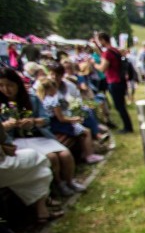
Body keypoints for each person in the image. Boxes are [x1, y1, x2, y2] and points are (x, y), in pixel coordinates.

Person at [0, 68, 85, 197]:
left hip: (39, 136)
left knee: (65, 154)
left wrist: (33, 122)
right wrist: (4, 126)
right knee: (51, 157)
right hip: (16, 141)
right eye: (1, 85)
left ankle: (70, 181)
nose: (6, 89)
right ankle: (59, 184)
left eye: (9, 85)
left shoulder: (32, 99)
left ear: (17, 84)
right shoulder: (1, 105)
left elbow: (46, 120)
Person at [36, 79, 104, 165]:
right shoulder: (53, 101)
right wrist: (75, 119)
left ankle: (84, 153)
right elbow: (61, 119)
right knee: (86, 132)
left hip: (52, 125)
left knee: (81, 131)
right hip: (60, 125)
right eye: (54, 88)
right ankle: (90, 155)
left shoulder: (43, 101)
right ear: (50, 89)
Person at [91, 32, 133, 134]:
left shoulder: (108, 53)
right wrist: (97, 48)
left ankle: (127, 127)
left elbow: (102, 68)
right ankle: (128, 125)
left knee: (119, 106)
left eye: (99, 40)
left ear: (103, 40)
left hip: (114, 82)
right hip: (120, 80)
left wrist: (93, 64)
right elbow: (104, 56)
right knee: (121, 105)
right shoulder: (114, 50)